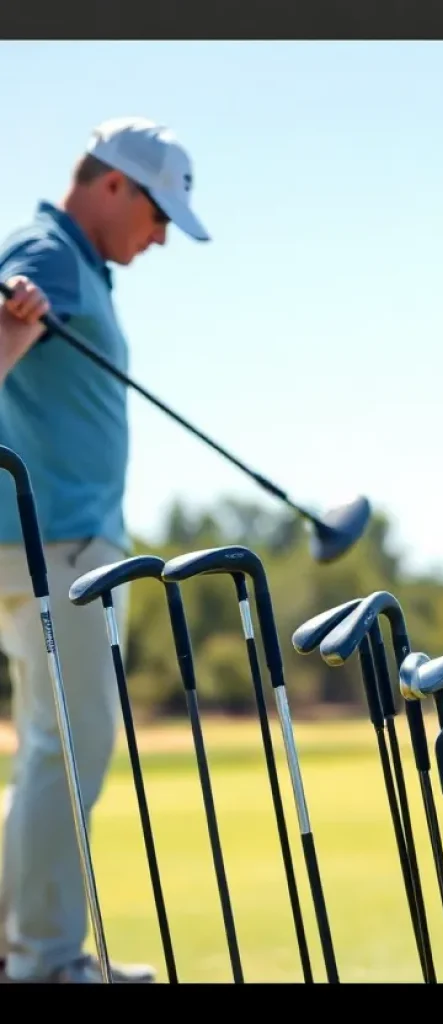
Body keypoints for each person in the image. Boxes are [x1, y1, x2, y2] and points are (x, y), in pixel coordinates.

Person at [0, 117, 210, 983]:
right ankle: (45, 963)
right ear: (115, 183)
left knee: (54, 743)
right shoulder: (48, 251)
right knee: (72, 741)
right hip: (61, 546)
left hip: (49, 540)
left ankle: (18, 949)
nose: (160, 237)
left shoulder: (73, 263)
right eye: (158, 215)